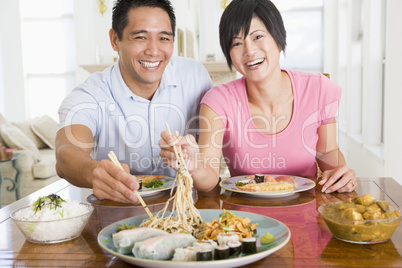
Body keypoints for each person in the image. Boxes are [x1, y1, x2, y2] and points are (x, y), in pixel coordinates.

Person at [159, 0, 356, 194]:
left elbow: (327, 151)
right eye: (237, 43)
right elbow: (209, 177)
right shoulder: (217, 102)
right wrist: (194, 165)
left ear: (279, 39)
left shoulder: (317, 88)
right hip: (244, 215)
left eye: (258, 36)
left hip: (306, 207)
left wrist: (339, 174)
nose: (249, 51)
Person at [55, 0, 212, 204]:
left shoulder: (194, 76)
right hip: (117, 210)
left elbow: (210, 164)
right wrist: (94, 171)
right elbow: (66, 153)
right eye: (140, 37)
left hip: (184, 208)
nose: (154, 51)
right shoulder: (90, 94)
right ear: (114, 40)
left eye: (164, 38)